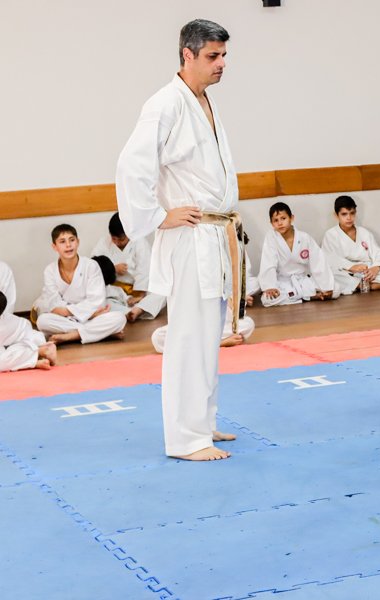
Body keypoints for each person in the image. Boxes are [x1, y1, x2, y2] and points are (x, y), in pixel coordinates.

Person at [116, 19, 238, 461]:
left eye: (223, 55)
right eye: (212, 56)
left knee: (209, 335)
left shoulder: (202, 100)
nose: (221, 63)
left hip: (214, 233)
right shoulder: (165, 103)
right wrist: (157, 216)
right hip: (190, 236)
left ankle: (202, 422)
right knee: (189, 337)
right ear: (187, 54)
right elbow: (131, 167)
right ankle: (186, 439)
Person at [33, 225, 127, 345]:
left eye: (72, 240)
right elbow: (55, 308)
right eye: (62, 241)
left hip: (92, 317)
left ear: (78, 242)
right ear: (54, 246)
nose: (68, 245)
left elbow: (97, 302)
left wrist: (71, 311)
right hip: (75, 318)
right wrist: (87, 314)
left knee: (119, 318)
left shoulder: (91, 266)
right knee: (43, 321)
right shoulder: (50, 270)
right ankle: (101, 333)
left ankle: (71, 336)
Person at [151, 251, 259, 352]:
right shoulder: (186, 279)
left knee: (248, 324)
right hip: (192, 329)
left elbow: (235, 315)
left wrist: (232, 297)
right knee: (158, 337)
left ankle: (197, 346)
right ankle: (218, 343)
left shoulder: (220, 277)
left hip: (214, 327)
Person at [322, 195, 380, 294]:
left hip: (368, 271)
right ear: (336, 215)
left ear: (355, 212)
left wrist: (376, 268)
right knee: (332, 274)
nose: (349, 218)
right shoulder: (331, 235)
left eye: (352, 213)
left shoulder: (364, 232)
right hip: (348, 272)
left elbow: (378, 252)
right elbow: (330, 259)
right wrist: (353, 267)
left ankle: (366, 283)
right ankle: (370, 285)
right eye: (344, 214)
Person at [91, 213, 167, 322]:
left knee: (162, 292)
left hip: (137, 294)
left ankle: (137, 310)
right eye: (113, 238)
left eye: (121, 239)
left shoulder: (140, 243)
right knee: (101, 299)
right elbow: (94, 266)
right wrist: (113, 269)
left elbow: (144, 270)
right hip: (114, 291)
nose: (116, 242)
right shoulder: (104, 243)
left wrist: (140, 295)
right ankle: (127, 313)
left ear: (129, 234)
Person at [259, 202, 338, 306]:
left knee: (336, 289)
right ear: (271, 223)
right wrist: (270, 286)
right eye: (276, 220)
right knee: (267, 299)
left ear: (291, 218)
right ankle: (308, 297)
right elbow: (268, 261)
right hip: (282, 282)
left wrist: (326, 286)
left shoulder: (304, 237)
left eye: (283, 218)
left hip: (302, 280)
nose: (280, 223)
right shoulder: (271, 237)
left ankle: (296, 297)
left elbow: (318, 261)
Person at [1, 289, 57, 372]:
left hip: (29, 341)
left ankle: (41, 351)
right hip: (12, 345)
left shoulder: (3, 327)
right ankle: (34, 362)